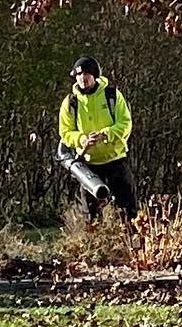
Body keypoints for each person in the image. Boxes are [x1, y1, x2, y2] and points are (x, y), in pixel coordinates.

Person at [58, 54, 136, 221]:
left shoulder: (112, 96)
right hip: (88, 166)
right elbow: (65, 133)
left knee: (128, 211)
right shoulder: (70, 102)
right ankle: (95, 245)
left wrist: (106, 135)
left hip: (116, 160)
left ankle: (132, 243)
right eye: (78, 75)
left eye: (85, 74)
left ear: (94, 75)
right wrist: (81, 140)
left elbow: (125, 124)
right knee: (92, 216)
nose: (82, 79)